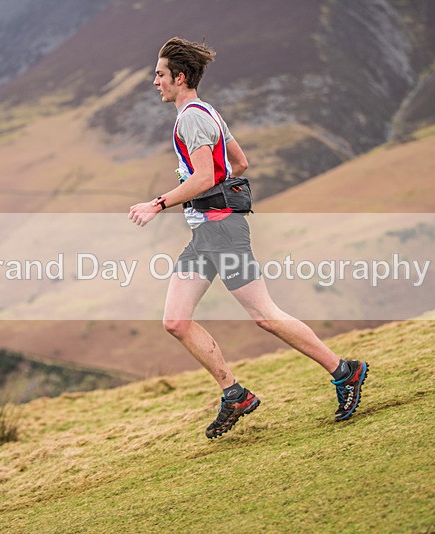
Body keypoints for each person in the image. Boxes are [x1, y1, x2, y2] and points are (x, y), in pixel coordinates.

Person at [129, 37, 368, 439]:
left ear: (179, 77)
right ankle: (234, 393)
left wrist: (160, 202)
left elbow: (207, 176)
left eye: (160, 75)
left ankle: (345, 372)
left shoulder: (191, 118)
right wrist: (199, 186)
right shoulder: (208, 113)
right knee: (175, 321)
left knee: (265, 316)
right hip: (206, 233)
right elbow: (239, 163)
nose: (155, 82)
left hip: (223, 231)